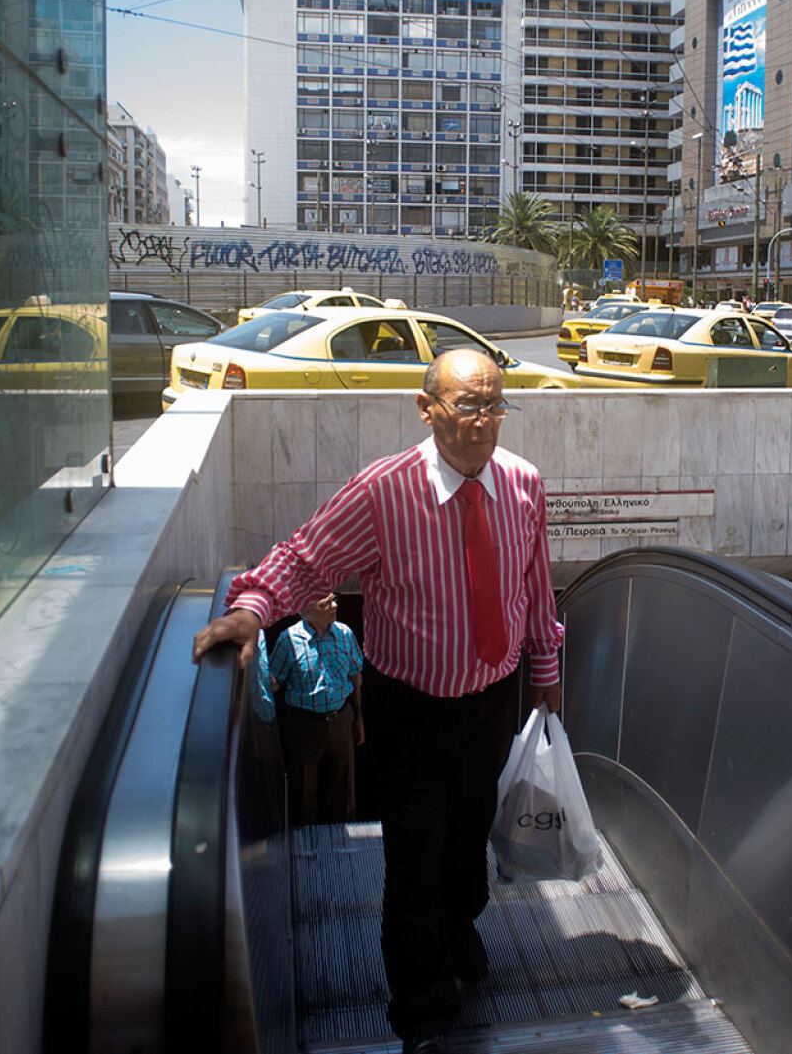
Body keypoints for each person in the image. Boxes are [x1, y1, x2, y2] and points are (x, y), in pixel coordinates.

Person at [192, 349, 562, 1054]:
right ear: (426, 408)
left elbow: (534, 585)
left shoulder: (524, 484)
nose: (483, 421)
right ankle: (424, 1015)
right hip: (410, 709)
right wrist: (254, 606)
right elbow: (308, 556)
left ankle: (461, 925)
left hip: (491, 702)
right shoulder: (382, 492)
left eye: (494, 404)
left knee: (468, 838)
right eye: (466, 405)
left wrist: (544, 667)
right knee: (416, 858)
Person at [268, 591, 365, 824]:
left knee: (342, 789)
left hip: (341, 719)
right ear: (307, 611)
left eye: (334, 600)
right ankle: (307, 846)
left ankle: (340, 844)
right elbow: (274, 684)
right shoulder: (288, 639)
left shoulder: (344, 634)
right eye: (325, 604)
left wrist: (358, 718)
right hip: (304, 725)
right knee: (304, 791)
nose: (333, 606)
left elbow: (355, 678)